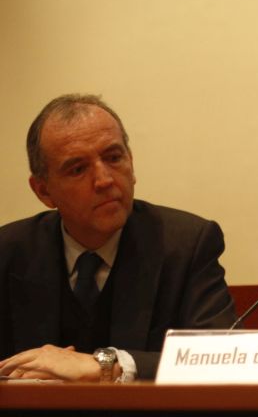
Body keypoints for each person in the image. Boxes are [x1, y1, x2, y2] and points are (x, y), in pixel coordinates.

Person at [0, 94, 236, 382]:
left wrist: (106, 365)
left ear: (131, 162)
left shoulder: (186, 244)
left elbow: (221, 360)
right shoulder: (9, 251)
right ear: (43, 191)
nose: (105, 180)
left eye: (113, 158)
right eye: (78, 169)